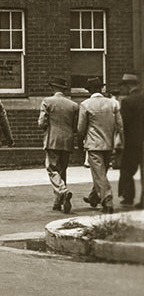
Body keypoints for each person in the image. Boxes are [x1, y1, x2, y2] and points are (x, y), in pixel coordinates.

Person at [77, 76, 123, 213]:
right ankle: (94, 197)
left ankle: (107, 201)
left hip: (94, 145)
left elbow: (81, 128)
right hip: (109, 144)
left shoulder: (85, 105)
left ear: (89, 90)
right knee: (101, 173)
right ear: (101, 89)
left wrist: (80, 142)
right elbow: (120, 125)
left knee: (99, 174)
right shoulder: (113, 103)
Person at [38, 76, 80, 212]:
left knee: (52, 169)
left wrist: (46, 127)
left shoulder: (47, 102)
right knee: (62, 170)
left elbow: (41, 123)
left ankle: (63, 191)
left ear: (53, 88)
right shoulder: (73, 105)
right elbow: (75, 126)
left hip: (52, 139)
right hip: (67, 140)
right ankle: (59, 202)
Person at [117, 73, 144, 209]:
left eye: (123, 86)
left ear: (128, 86)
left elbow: (123, 125)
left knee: (127, 170)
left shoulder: (128, 102)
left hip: (133, 143)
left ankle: (128, 197)